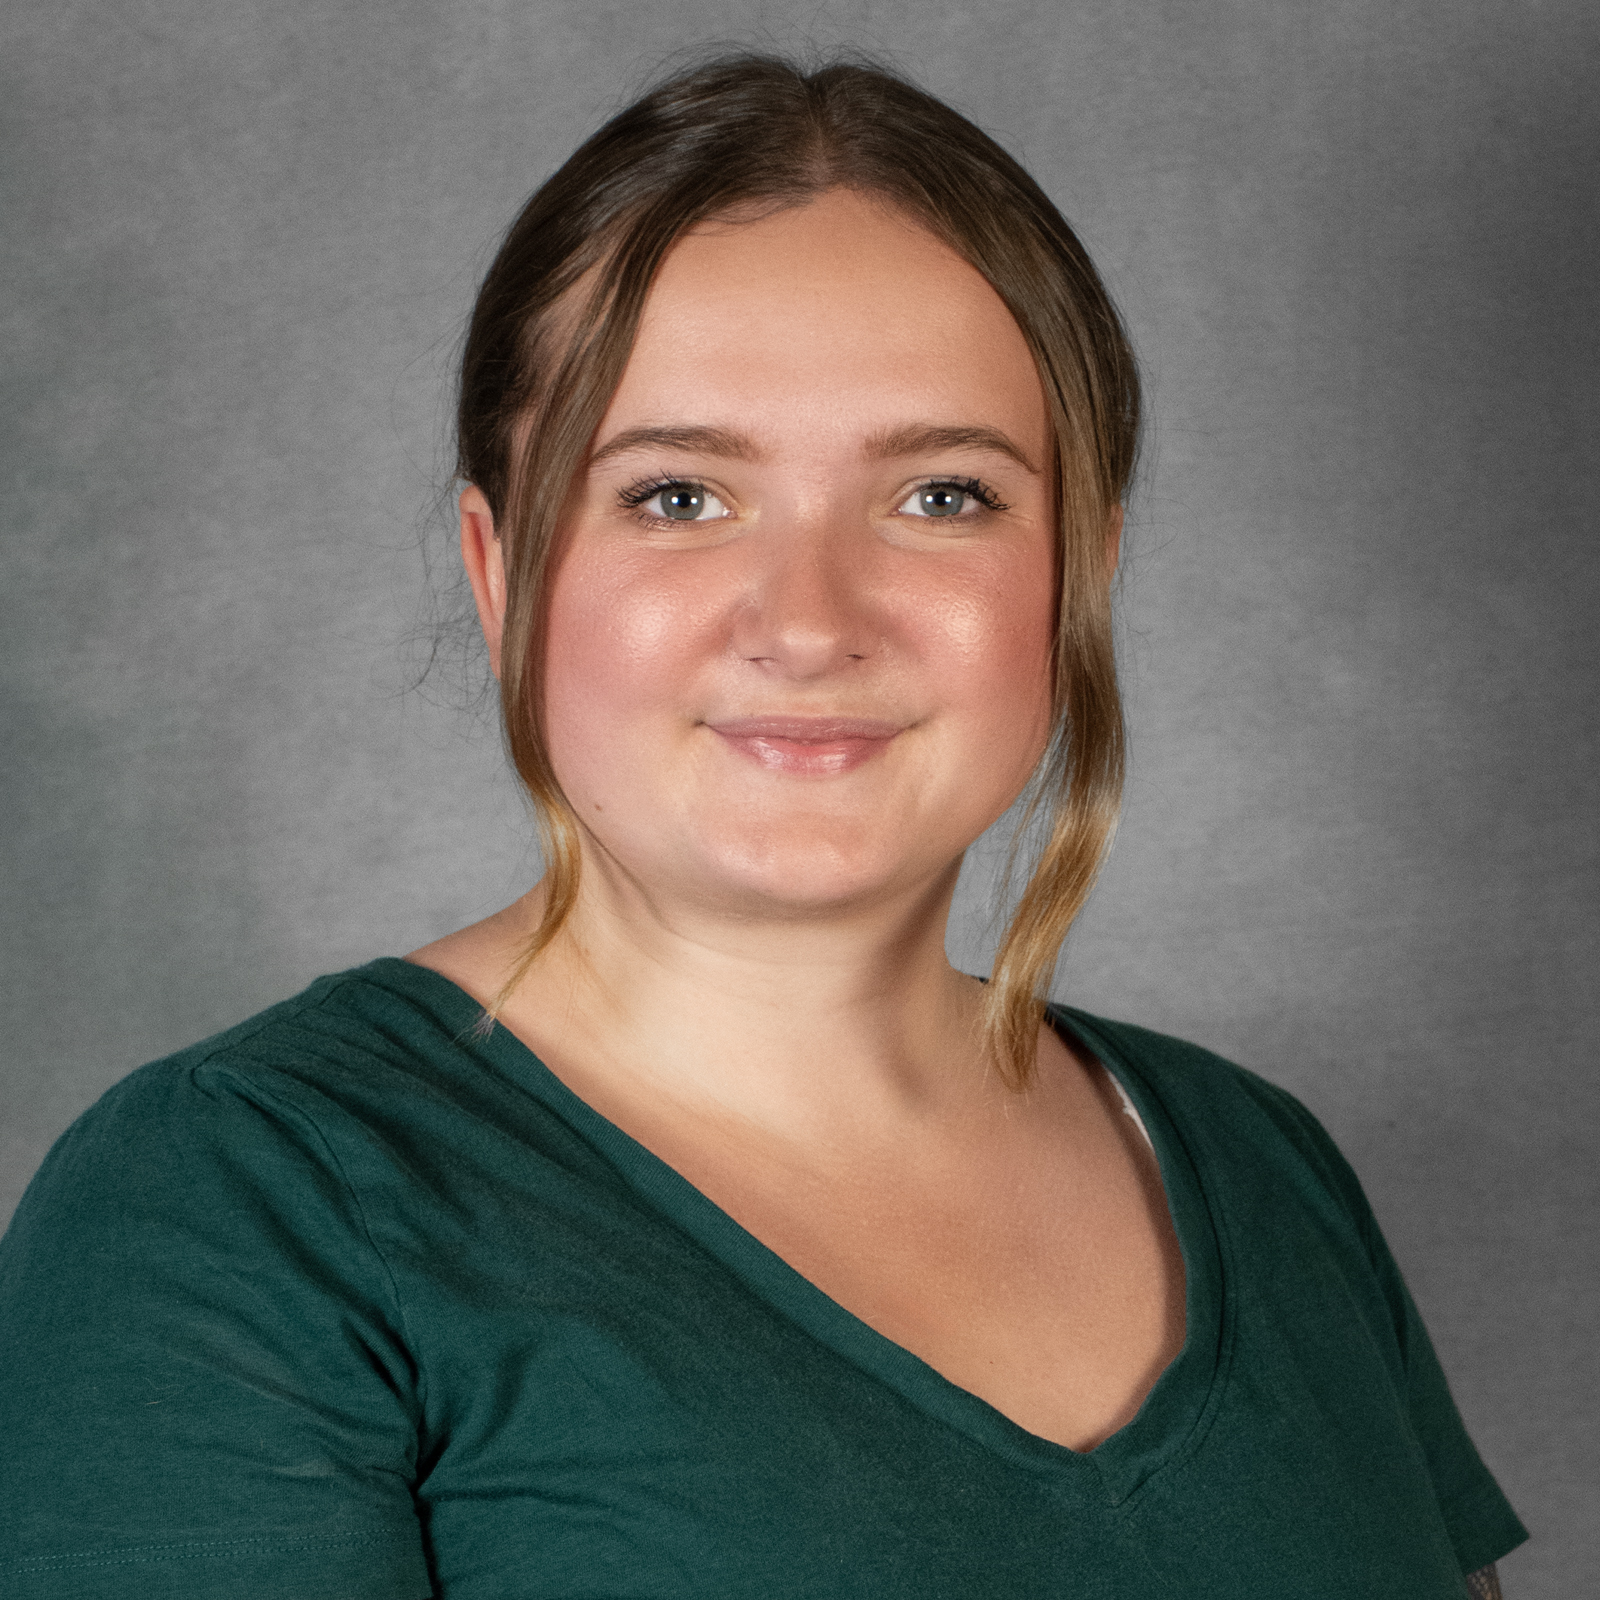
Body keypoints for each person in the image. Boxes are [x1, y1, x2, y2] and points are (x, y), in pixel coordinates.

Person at [0, 54, 1525, 1600]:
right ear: (501, 570)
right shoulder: (239, 1206)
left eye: (943, 496)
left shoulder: (1262, 1168)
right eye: (676, 496)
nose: (809, 621)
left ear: (1080, 574)